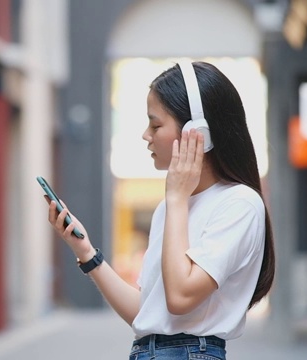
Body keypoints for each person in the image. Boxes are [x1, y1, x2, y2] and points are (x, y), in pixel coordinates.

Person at [44, 60, 275, 360]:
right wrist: (86, 252)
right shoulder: (169, 208)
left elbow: (180, 297)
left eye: (155, 124)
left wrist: (177, 199)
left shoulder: (239, 204)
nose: (145, 135)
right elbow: (146, 314)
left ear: (197, 133)